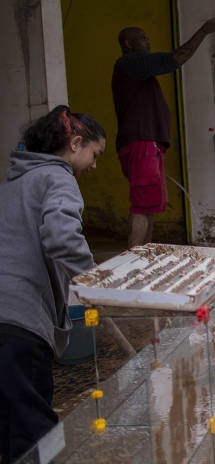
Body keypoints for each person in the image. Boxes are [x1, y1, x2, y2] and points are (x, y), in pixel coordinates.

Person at [0, 106, 106, 461]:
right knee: (37, 432)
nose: (94, 165)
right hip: (19, 323)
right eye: (95, 153)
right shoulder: (58, 177)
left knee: (9, 425)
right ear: (76, 143)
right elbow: (62, 238)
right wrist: (96, 282)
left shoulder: (12, 182)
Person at [112, 19, 215, 248]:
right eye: (141, 37)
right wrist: (202, 31)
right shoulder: (130, 63)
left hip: (148, 145)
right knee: (142, 204)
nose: (147, 40)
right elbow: (175, 59)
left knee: (149, 204)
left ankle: (143, 253)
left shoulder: (136, 69)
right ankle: (135, 257)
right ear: (127, 44)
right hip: (141, 144)